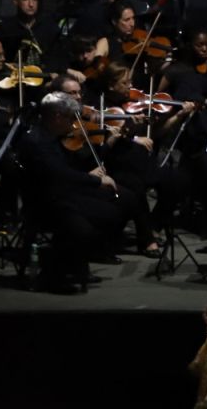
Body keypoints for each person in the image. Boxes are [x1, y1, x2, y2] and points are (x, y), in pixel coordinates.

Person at [19, 92, 130, 293]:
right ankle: (53, 275)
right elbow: (58, 174)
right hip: (44, 202)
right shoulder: (36, 141)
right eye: (71, 118)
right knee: (83, 229)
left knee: (112, 212)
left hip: (60, 194)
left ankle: (73, 265)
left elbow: (65, 170)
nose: (73, 125)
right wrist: (95, 180)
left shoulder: (50, 137)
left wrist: (92, 173)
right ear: (57, 116)